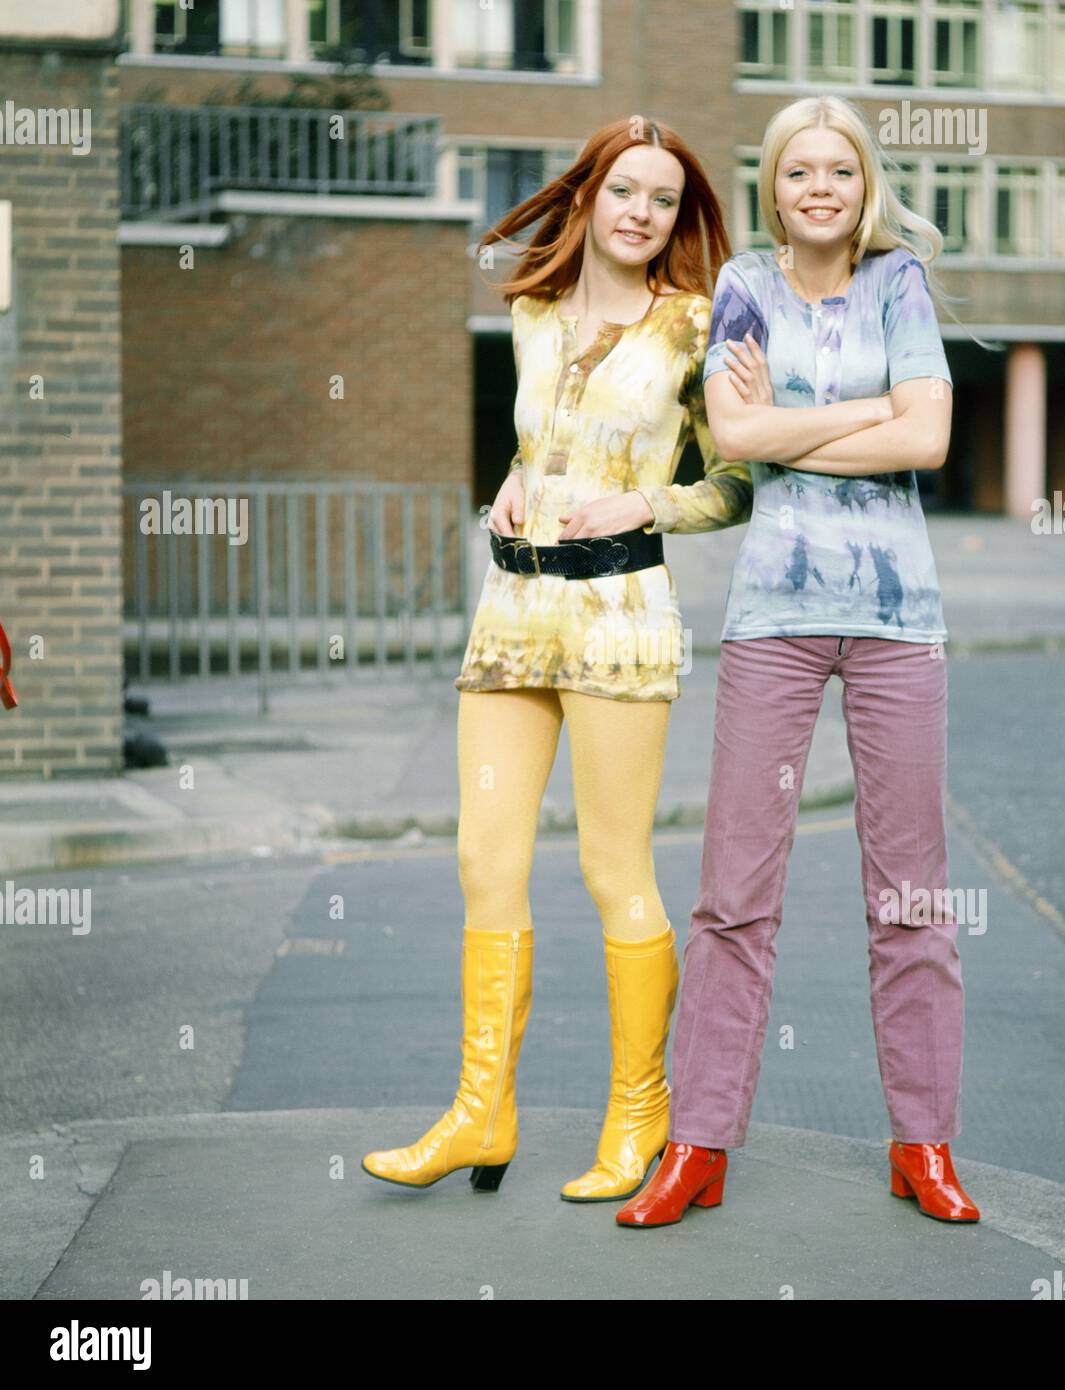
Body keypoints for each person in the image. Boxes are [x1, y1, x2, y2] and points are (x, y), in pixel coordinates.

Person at [362, 116, 752, 1202]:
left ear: (679, 218)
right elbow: (542, 443)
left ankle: (641, 1117)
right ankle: (481, 1112)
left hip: (621, 617)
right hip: (514, 610)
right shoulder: (531, 316)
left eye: (663, 199)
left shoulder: (694, 324)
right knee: (485, 861)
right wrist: (510, 480)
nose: (641, 211)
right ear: (585, 196)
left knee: (610, 868)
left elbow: (735, 483)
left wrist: (648, 498)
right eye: (623, 189)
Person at [616, 95, 981, 1227]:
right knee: (732, 897)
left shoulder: (899, 283)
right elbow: (734, 439)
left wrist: (800, 420)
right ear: (772, 187)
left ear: (863, 184)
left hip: (895, 620)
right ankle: (700, 1145)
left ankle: (922, 1143)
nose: (816, 188)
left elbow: (928, 439)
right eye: (795, 172)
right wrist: (869, 407)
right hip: (773, 614)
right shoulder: (745, 288)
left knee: (912, 897)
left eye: (837, 170)